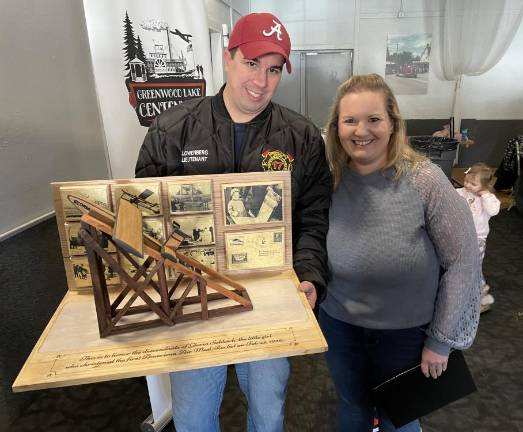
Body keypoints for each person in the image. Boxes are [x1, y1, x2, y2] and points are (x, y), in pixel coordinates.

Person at [135, 12, 331, 432]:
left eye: (274, 69)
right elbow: (143, 216)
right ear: (227, 58)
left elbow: (315, 216)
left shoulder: (301, 136)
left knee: (268, 411)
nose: (261, 81)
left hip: (270, 296)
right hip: (192, 301)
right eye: (251, 63)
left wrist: (311, 273)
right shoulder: (172, 130)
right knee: (193, 418)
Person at [321, 73, 481, 432]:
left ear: (393, 124)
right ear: (337, 128)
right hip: (340, 325)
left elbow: (463, 262)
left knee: (399, 419)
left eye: (373, 119)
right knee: (353, 407)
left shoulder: (425, 180)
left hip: (406, 334)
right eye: (350, 120)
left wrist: (441, 341)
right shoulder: (330, 179)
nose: (361, 131)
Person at [456, 163, 501, 313]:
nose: (468, 185)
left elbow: (494, 211)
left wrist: (486, 195)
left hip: (477, 240)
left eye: (473, 184)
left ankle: (481, 297)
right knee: (461, 267)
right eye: (466, 181)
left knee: (473, 268)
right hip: (461, 236)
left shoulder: (489, 199)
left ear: (484, 186)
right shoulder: (462, 192)